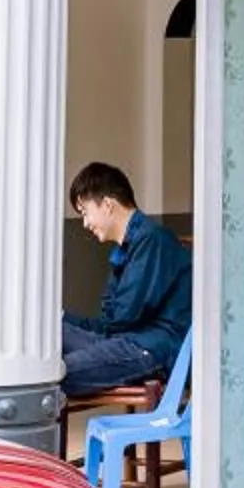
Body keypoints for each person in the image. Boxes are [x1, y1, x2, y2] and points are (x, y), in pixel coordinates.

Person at [61, 161, 192, 399]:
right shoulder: (126, 249)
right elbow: (109, 323)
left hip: (150, 349)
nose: (85, 223)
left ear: (108, 205)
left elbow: (124, 315)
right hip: (124, 341)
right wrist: (60, 318)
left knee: (54, 374)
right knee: (53, 332)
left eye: (85, 213)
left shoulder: (153, 240)